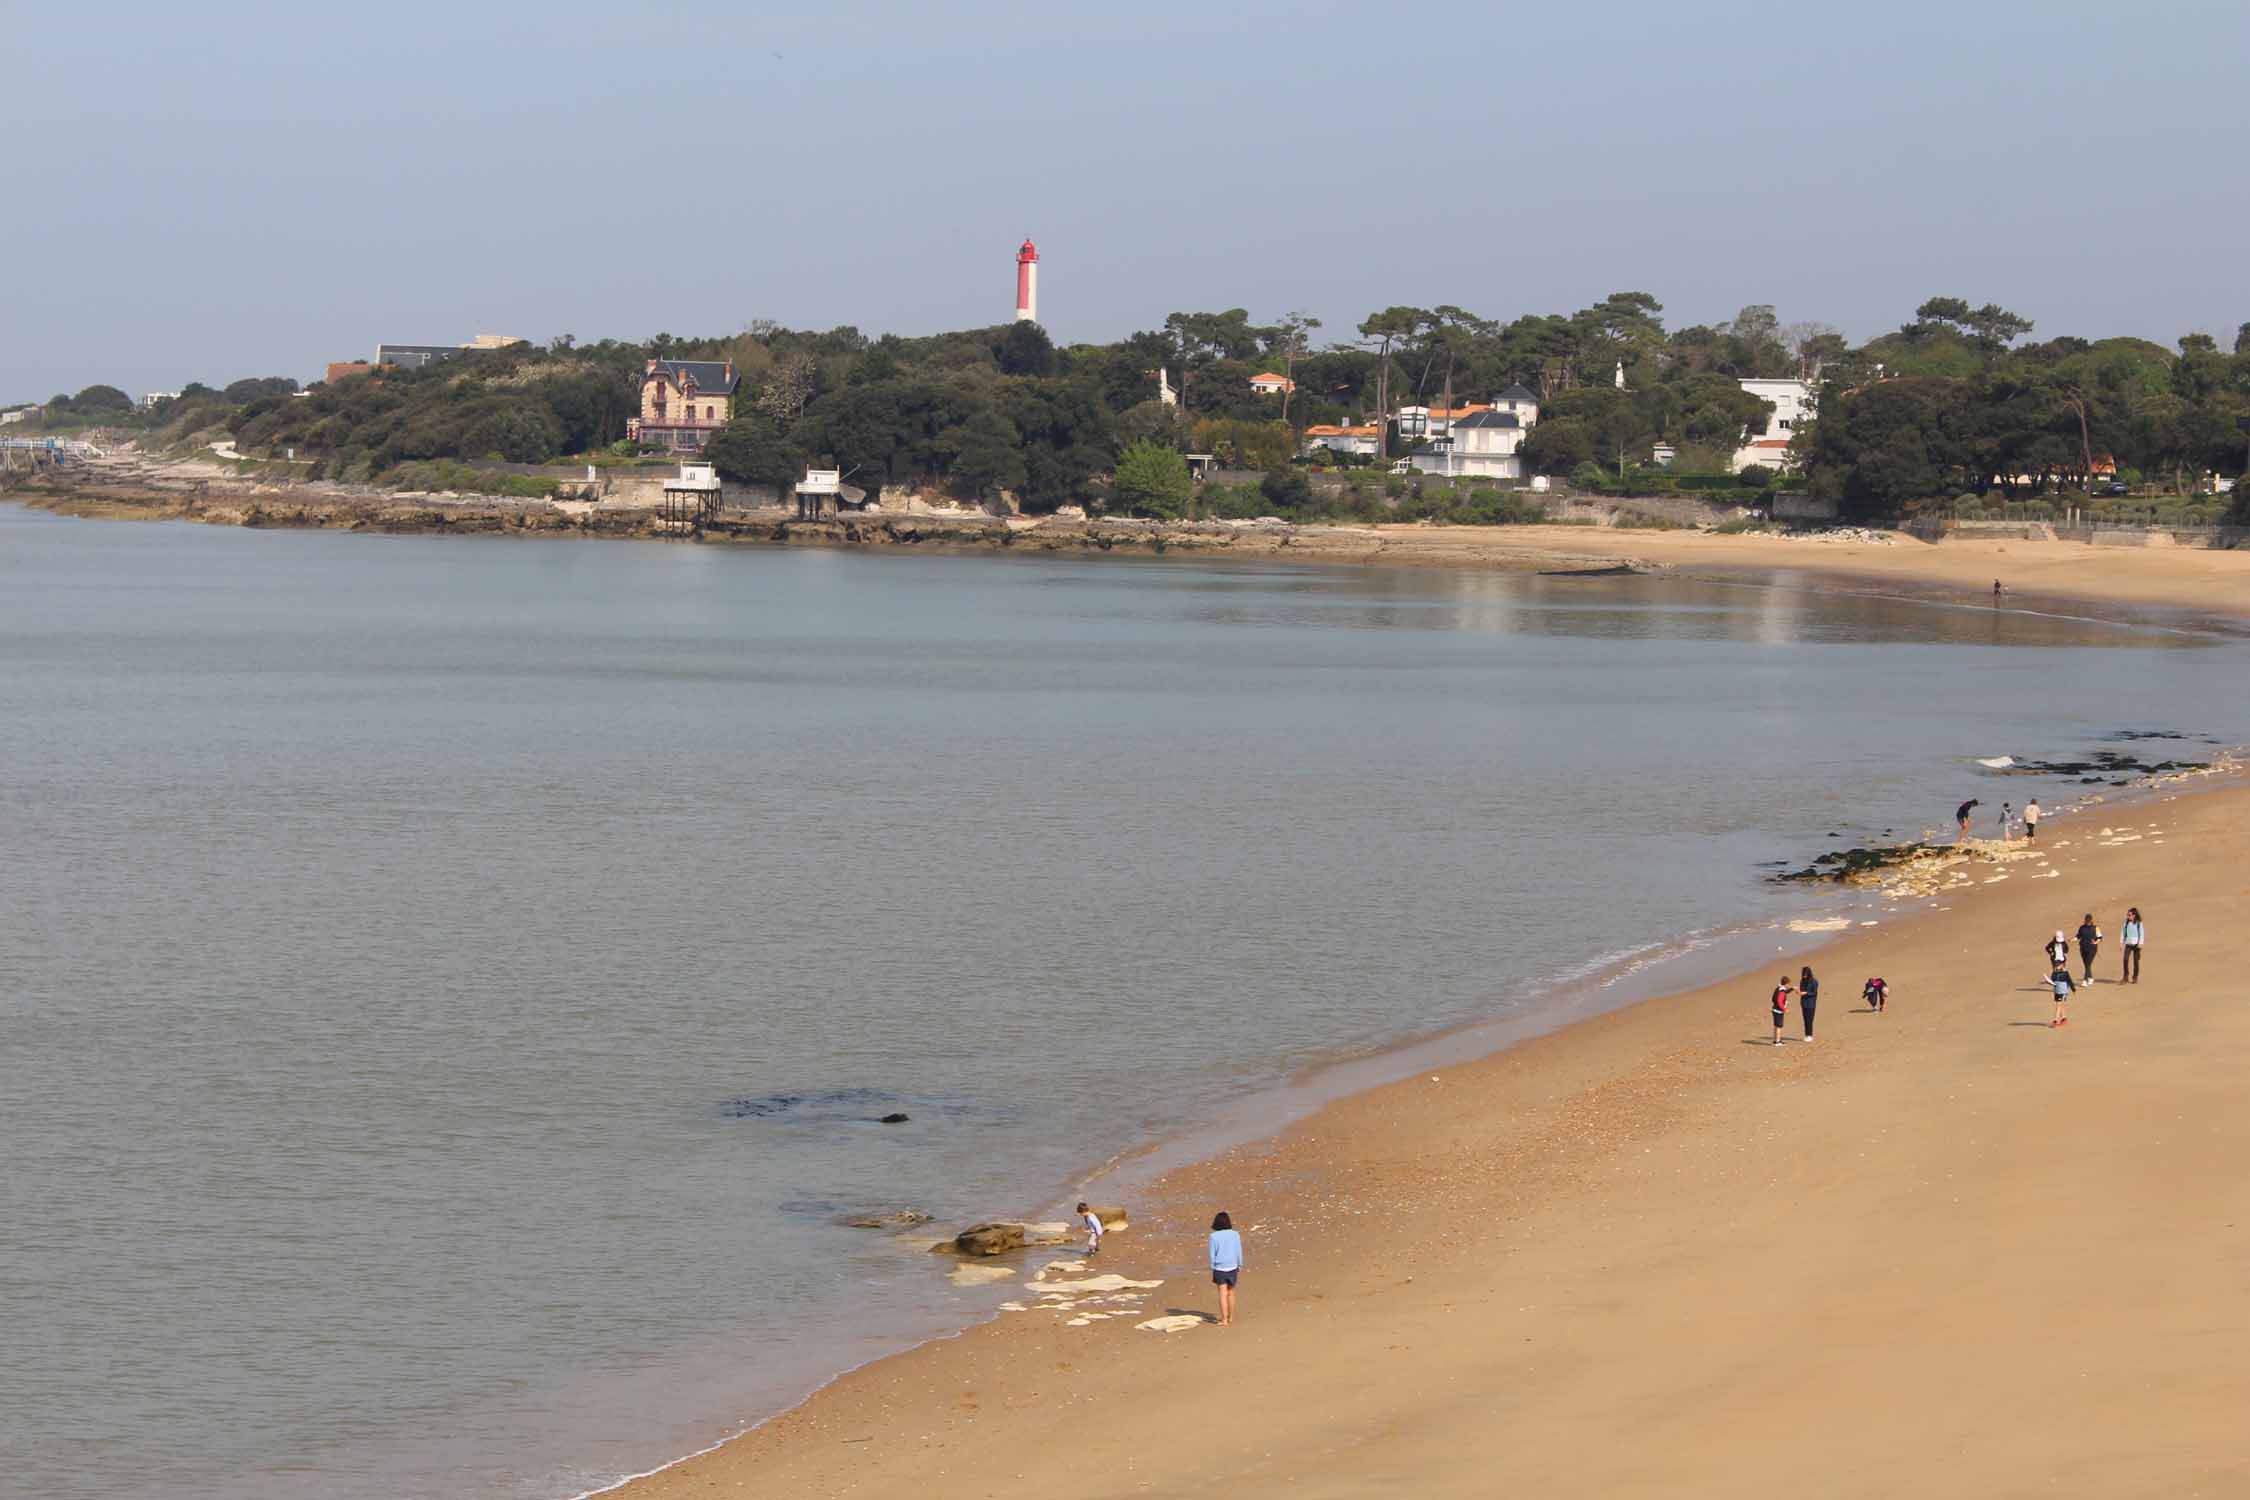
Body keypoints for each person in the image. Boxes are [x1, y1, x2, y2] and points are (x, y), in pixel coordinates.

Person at [1208, 1211, 1244, 1326]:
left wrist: (1212, 1266)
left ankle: (1224, 1320)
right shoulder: (1235, 1234)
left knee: (1222, 1294)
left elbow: (1211, 1254)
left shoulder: (1213, 1236)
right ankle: (1231, 1317)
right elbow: (1239, 1251)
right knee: (1231, 1292)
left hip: (1220, 1268)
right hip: (1233, 1266)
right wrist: (1240, 1264)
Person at [2075, 913, 2102, 983]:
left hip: (2092, 949)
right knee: (2086, 964)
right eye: (2086, 920)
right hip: (2083, 948)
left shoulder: (2096, 928)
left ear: (2091, 920)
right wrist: (2072, 939)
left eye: (2088, 920)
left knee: (2087, 963)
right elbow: (2078, 936)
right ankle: (2090, 977)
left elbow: (2100, 937)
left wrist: (2095, 942)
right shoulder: (2082, 928)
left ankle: (2085, 980)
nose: (2087, 922)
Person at [2120, 908, 2144, 984]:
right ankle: (2125, 977)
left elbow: (2141, 933)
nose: (2128, 916)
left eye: (2129, 915)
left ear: (2134, 915)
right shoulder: (2126, 923)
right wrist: (2121, 943)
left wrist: (2140, 943)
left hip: (2136, 945)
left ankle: (2135, 977)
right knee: (2125, 959)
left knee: (2136, 961)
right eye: (2127, 915)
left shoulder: (2139, 923)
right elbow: (2123, 933)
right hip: (2128, 944)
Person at [1769, 975, 1793, 1046]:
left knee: (1776, 1026)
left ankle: (1775, 1040)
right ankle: (1777, 1041)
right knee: (1779, 1026)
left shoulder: (1778, 988)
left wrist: (1792, 989)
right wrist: (1785, 1009)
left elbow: (1774, 998)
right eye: (1788, 984)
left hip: (1775, 1009)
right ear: (1786, 983)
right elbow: (1779, 1001)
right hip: (1778, 1011)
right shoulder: (1782, 991)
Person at [1799, 965, 1820, 1042]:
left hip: (1811, 1003)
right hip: (1804, 1003)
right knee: (1805, 1020)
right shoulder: (1802, 981)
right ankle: (1806, 1035)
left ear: (1808, 974)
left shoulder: (1814, 981)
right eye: (1803, 974)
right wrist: (1800, 992)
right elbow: (1801, 990)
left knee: (1810, 1020)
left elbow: (1814, 993)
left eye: (1805, 974)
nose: (1804, 976)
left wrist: (1806, 993)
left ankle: (1810, 1035)